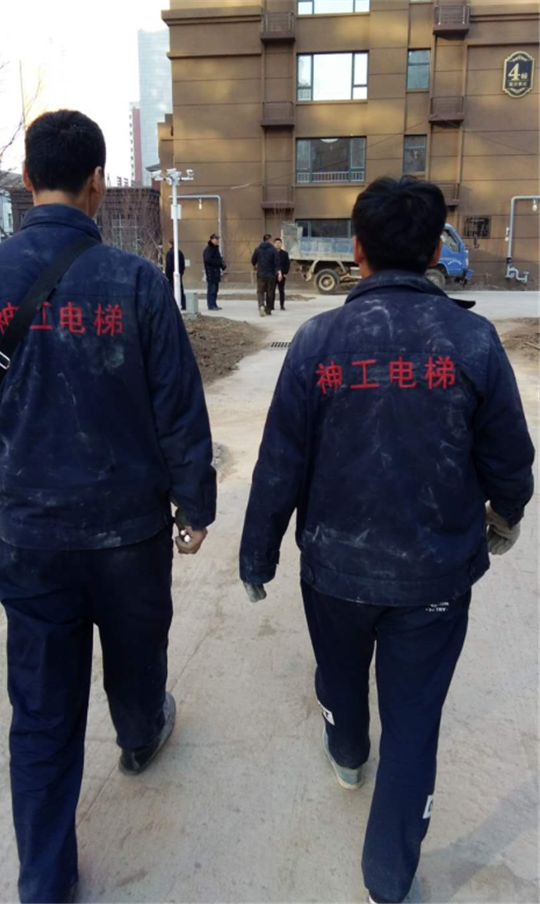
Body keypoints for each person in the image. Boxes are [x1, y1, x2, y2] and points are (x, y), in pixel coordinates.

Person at [0, 110, 217, 904]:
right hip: (130, 534)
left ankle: (45, 881)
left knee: (41, 709)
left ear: (28, 180)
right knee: (138, 653)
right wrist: (192, 505)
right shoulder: (136, 283)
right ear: (98, 182)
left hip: (31, 538)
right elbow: (179, 409)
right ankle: (139, 736)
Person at [240, 177, 534, 904]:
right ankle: (388, 879)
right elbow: (510, 461)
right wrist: (503, 518)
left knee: (340, 677)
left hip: (335, 570)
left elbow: (280, 463)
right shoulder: (471, 341)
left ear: (357, 249)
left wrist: (258, 556)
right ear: (435, 250)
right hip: (435, 576)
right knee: (414, 725)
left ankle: (347, 754)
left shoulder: (318, 342)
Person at [251, 233, 281, 317]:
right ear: (270, 240)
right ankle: (268, 309)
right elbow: (277, 262)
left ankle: (261, 305)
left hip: (261, 274)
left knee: (260, 291)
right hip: (271, 274)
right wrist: (278, 271)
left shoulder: (257, 250)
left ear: (263, 239)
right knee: (270, 291)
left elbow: (253, 261)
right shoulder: (273, 250)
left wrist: (256, 266)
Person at [203, 233, 226, 310]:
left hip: (216, 272)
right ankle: (211, 305)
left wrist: (222, 265)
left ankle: (214, 304)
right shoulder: (208, 249)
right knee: (212, 289)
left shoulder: (216, 249)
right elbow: (208, 260)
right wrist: (217, 262)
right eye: (216, 239)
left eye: (217, 239)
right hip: (211, 272)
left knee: (215, 290)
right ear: (211, 239)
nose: (217, 240)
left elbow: (219, 258)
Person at [165, 238, 186, 310]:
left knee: (171, 290)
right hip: (178, 274)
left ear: (170, 244)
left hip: (171, 275)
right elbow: (183, 265)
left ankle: (172, 305)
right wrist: (181, 273)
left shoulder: (169, 253)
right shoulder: (180, 253)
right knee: (180, 289)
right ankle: (183, 304)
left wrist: (167, 275)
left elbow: (168, 265)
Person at [273, 237, 290, 311]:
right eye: (276, 243)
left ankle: (282, 305)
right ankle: (271, 305)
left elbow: (287, 264)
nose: (278, 244)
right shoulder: (271, 253)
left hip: (282, 275)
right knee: (272, 291)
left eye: (279, 243)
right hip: (273, 275)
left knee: (281, 290)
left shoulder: (285, 254)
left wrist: (285, 273)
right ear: (274, 244)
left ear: (281, 244)